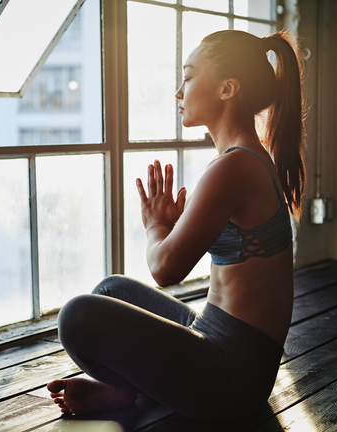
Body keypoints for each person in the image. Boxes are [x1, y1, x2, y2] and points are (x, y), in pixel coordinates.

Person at [46, 29, 306, 419]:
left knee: (78, 316)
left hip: (233, 378)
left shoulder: (233, 167)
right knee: (110, 289)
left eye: (188, 77)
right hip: (220, 342)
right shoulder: (248, 158)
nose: (178, 92)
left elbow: (165, 269)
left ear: (227, 89)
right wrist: (168, 228)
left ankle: (122, 394)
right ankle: (125, 392)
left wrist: (156, 227)